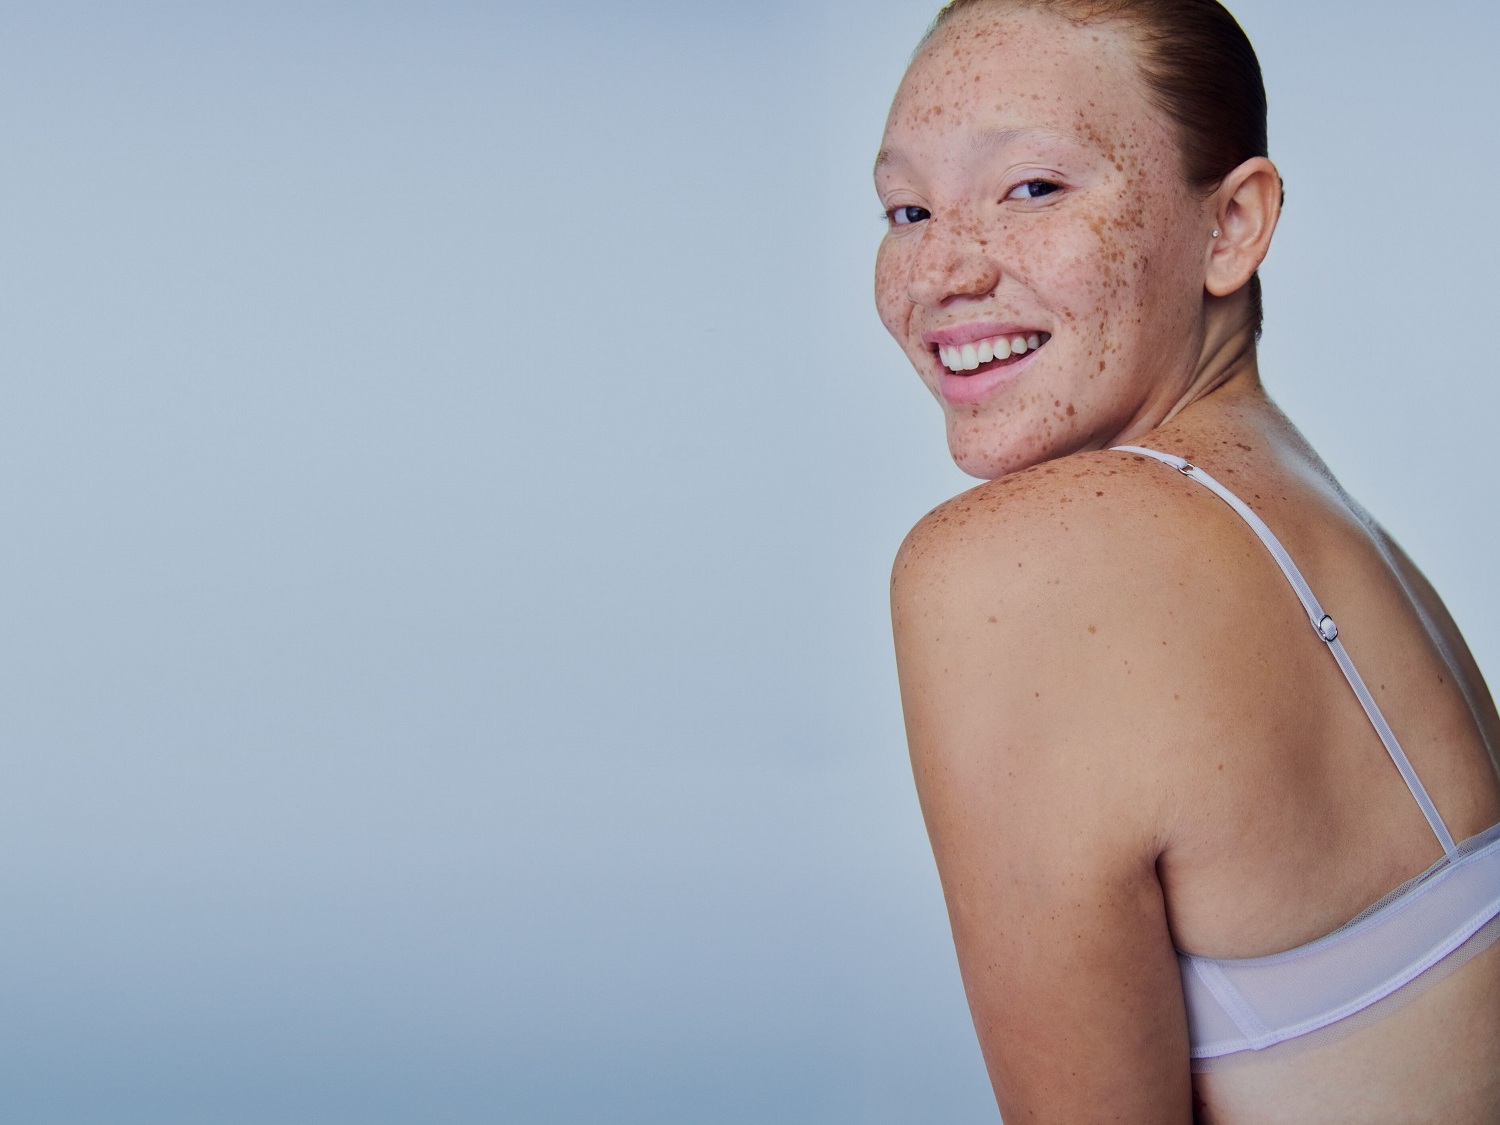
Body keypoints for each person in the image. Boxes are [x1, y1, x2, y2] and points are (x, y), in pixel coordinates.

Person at [875, 1, 1500, 1120]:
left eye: (1033, 187)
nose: (940, 271)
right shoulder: (1321, 518)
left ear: (1232, 226)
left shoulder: (1011, 569)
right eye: (907, 208)